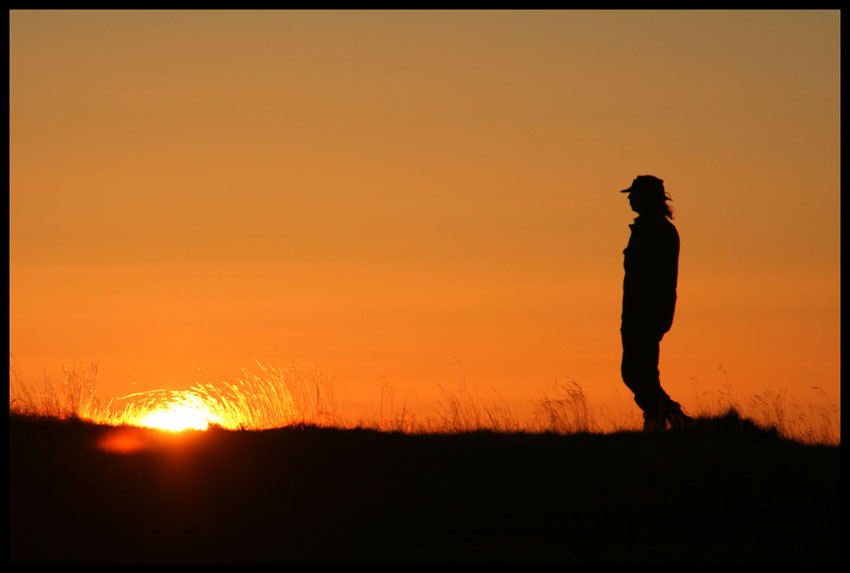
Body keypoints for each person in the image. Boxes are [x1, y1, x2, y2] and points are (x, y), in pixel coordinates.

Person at [619, 175, 692, 431]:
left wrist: (651, 313)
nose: (629, 199)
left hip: (646, 313)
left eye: (635, 194)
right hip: (637, 311)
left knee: (636, 370)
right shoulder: (649, 229)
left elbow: (655, 276)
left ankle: (665, 414)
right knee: (639, 370)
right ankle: (663, 415)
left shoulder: (658, 231)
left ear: (648, 198)